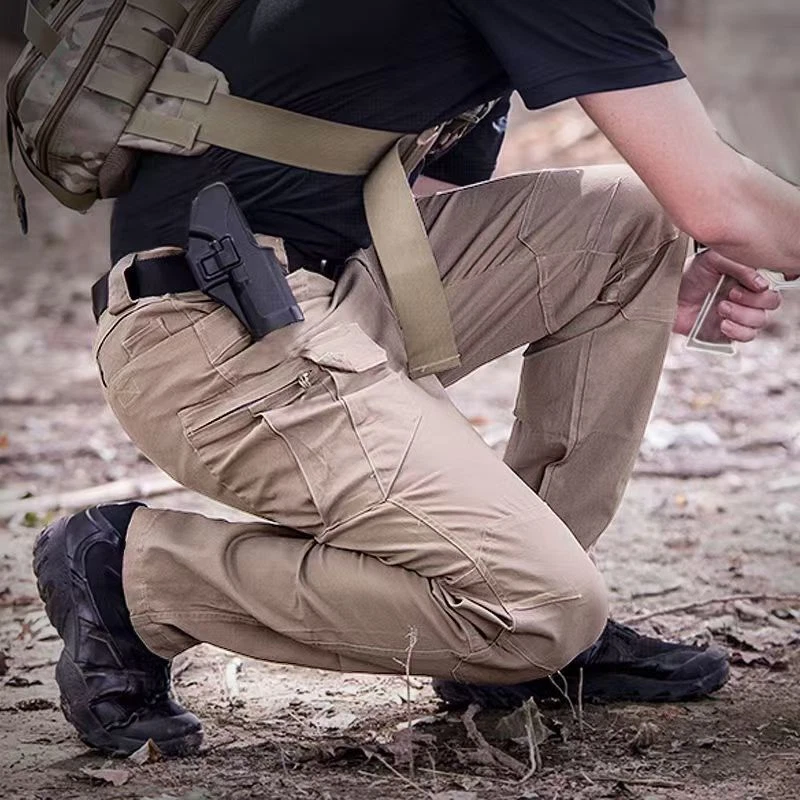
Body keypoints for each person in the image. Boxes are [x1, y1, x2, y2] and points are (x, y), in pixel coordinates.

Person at [31, 0, 795, 757]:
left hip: (318, 292)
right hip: (208, 336)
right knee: (542, 608)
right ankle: (136, 575)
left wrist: (634, 278)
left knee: (629, 221)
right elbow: (717, 199)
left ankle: (519, 647)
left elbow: (414, 196)